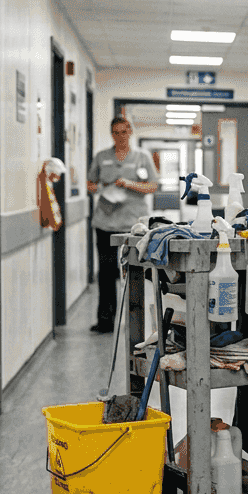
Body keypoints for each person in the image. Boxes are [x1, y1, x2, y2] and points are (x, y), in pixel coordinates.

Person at [85, 117, 159, 333]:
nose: (120, 137)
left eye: (123, 132)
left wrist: (129, 184)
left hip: (133, 223)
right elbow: (90, 184)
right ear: (111, 134)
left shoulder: (142, 157)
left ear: (130, 133)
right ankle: (105, 320)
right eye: (115, 133)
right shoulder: (101, 157)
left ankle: (138, 320)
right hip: (106, 222)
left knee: (135, 271)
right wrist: (99, 188)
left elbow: (152, 186)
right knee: (106, 273)